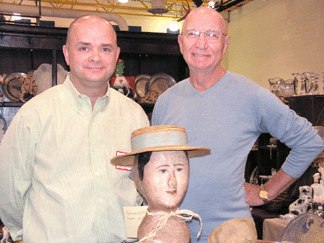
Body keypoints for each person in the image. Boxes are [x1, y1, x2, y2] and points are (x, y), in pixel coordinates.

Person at [151, 6, 324, 242]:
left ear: (225, 43)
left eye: (212, 34)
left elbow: (309, 142)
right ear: (181, 43)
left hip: (231, 231)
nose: (201, 44)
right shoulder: (165, 102)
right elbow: (153, 166)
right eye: (193, 34)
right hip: (173, 231)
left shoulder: (251, 95)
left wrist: (267, 191)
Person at [0, 15, 149, 242]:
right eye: (84, 48)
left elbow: (143, 186)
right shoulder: (34, 115)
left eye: (105, 49)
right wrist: (26, 234)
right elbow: (9, 194)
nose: (96, 57)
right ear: (67, 54)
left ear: (117, 56)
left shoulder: (135, 116)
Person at [111, 125, 210, 242]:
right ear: (138, 177)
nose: (173, 181)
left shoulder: (180, 225)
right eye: (163, 171)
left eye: (179, 169)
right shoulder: (151, 234)